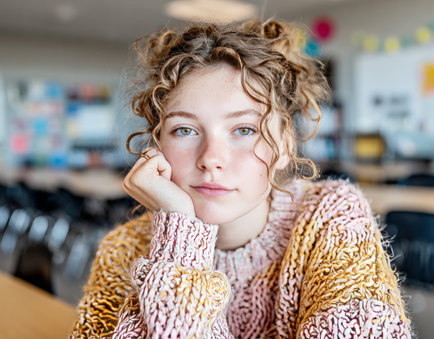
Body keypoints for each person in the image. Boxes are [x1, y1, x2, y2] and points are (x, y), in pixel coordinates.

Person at [70, 19, 411, 338]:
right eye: (184, 129)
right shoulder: (123, 249)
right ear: (157, 146)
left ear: (284, 147)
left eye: (244, 129)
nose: (211, 159)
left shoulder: (331, 217)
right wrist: (179, 243)